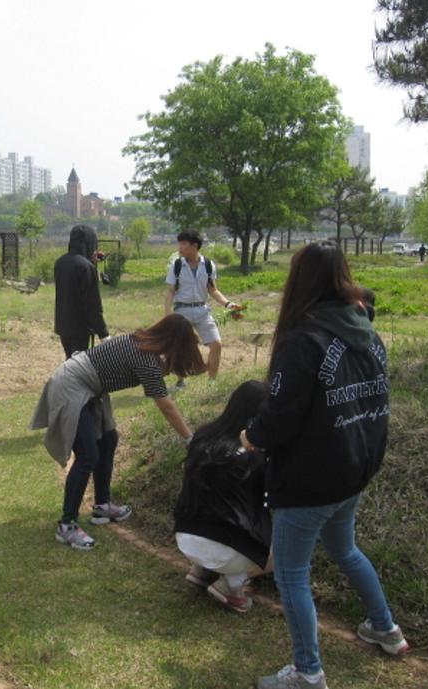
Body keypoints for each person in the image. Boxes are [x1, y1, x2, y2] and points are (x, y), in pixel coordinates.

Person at [240, 242, 408, 689]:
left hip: (311, 479)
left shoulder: (303, 339)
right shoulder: (365, 331)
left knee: (292, 574)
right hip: (353, 469)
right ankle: (386, 629)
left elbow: (281, 416)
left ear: (299, 281)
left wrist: (251, 435)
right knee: (345, 549)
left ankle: (307, 672)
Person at [30, 314, 206, 550]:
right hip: (71, 384)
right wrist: (190, 438)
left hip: (88, 387)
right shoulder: (145, 357)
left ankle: (102, 506)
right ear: (174, 342)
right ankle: (67, 525)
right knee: (87, 455)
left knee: (108, 439)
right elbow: (166, 405)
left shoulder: (141, 343)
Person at [173, 380, 273, 614]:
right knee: (290, 549)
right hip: (226, 545)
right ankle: (231, 584)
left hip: (186, 535)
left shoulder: (202, 437)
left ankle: (201, 570)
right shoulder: (255, 455)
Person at [163, 230, 241, 389]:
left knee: (216, 344)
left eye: (183, 244)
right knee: (179, 347)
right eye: (179, 243)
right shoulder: (176, 265)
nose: (180, 247)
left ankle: (211, 383)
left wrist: (228, 304)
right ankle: (180, 381)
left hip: (202, 310)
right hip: (181, 311)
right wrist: (168, 313)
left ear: (195, 245)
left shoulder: (208, 265)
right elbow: (171, 291)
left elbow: (213, 290)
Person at [54, 224, 109, 359]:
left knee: (70, 360)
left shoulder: (60, 262)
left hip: (63, 324)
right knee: (78, 366)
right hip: (80, 328)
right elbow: (92, 304)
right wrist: (103, 333)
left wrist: (91, 262)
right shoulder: (86, 267)